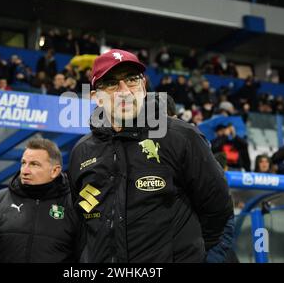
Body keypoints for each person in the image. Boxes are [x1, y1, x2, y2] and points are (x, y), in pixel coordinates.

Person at [69, 49, 234, 263]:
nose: (124, 91)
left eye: (131, 80)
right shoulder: (81, 151)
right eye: (111, 83)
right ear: (96, 97)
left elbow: (219, 210)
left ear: (144, 87)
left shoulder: (181, 137)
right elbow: (81, 226)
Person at [0, 138, 82, 263]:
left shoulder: (74, 204)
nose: (25, 171)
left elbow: (85, 255)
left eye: (34, 164)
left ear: (55, 171)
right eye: (23, 163)